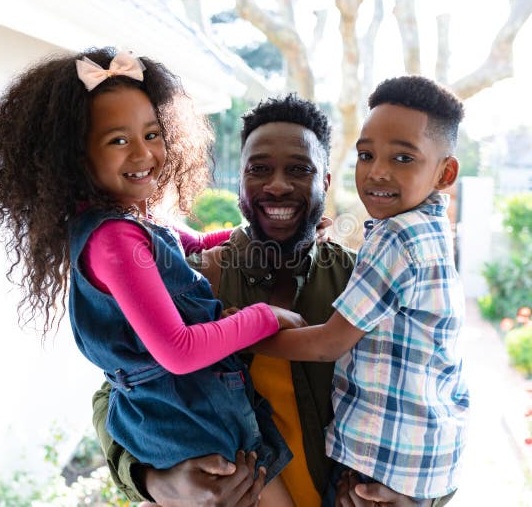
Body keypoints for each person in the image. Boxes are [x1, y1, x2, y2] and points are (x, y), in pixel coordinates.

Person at [0, 48, 306, 505]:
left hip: (187, 413)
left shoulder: (128, 223)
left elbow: (195, 245)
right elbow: (179, 352)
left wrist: (270, 229)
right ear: (74, 156)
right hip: (190, 420)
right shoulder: (115, 242)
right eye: (118, 140)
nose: (145, 152)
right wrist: (264, 316)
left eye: (151, 133)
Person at [94, 93, 360, 506]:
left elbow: (431, 396)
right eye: (259, 169)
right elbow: (114, 392)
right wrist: (155, 481)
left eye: (299, 169)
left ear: (324, 181)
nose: (276, 184)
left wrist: (415, 498)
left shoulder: (361, 284)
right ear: (240, 181)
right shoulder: (192, 278)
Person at [251, 75, 469, 506]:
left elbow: (329, 343)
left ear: (445, 172)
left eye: (403, 158)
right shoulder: (430, 232)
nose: (377, 172)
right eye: (366, 155)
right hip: (422, 466)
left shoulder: (397, 237)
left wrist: (239, 335)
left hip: (381, 466)